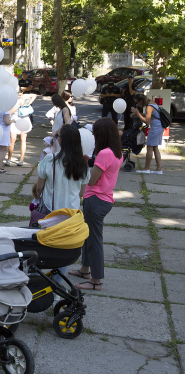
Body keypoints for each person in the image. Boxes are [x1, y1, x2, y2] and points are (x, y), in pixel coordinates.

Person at [69, 118, 122, 291]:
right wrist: (90, 162)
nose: (93, 136)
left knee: (94, 241)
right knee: (88, 237)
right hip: (104, 198)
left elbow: (91, 180)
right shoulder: (116, 152)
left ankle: (96, 281)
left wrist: (81, 168)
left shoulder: (104, 153)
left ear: (101, 134)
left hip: (96, 200)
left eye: (95, 133)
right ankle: (85, 270)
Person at [35, 124, 90, 284]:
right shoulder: (82, 163)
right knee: (63, 248)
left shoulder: (50, 159)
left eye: (57, 136)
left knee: (43, 243)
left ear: (62, 141)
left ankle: (41, 278)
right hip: (71, 213)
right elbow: (82, 192)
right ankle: (57, 284)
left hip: (50, 210)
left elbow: (39, 186)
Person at [132, 93, 164, 175]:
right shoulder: (152, 103)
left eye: (137, 102)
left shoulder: (149, 107)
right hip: (159, 127)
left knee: (149, 148)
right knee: (155, 148)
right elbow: (149, 115)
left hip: (155, 129)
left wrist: (138, 113)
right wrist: (137, 114)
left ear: (141, 101)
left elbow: (146, 121)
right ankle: (159, 168)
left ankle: (146, 168)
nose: (137, 104)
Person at [7, 88, 37, 166]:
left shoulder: (24, 96)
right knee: (12, 139)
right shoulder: (11, 100)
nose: (19, 97)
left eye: (20, 95)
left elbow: (34, 95)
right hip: (15, 119)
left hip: (25, 119)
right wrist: (18, 105)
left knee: (23, 139)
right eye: (18, 95)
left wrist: (29, 102)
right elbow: (10, 111)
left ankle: (21, 159)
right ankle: (9, 158)